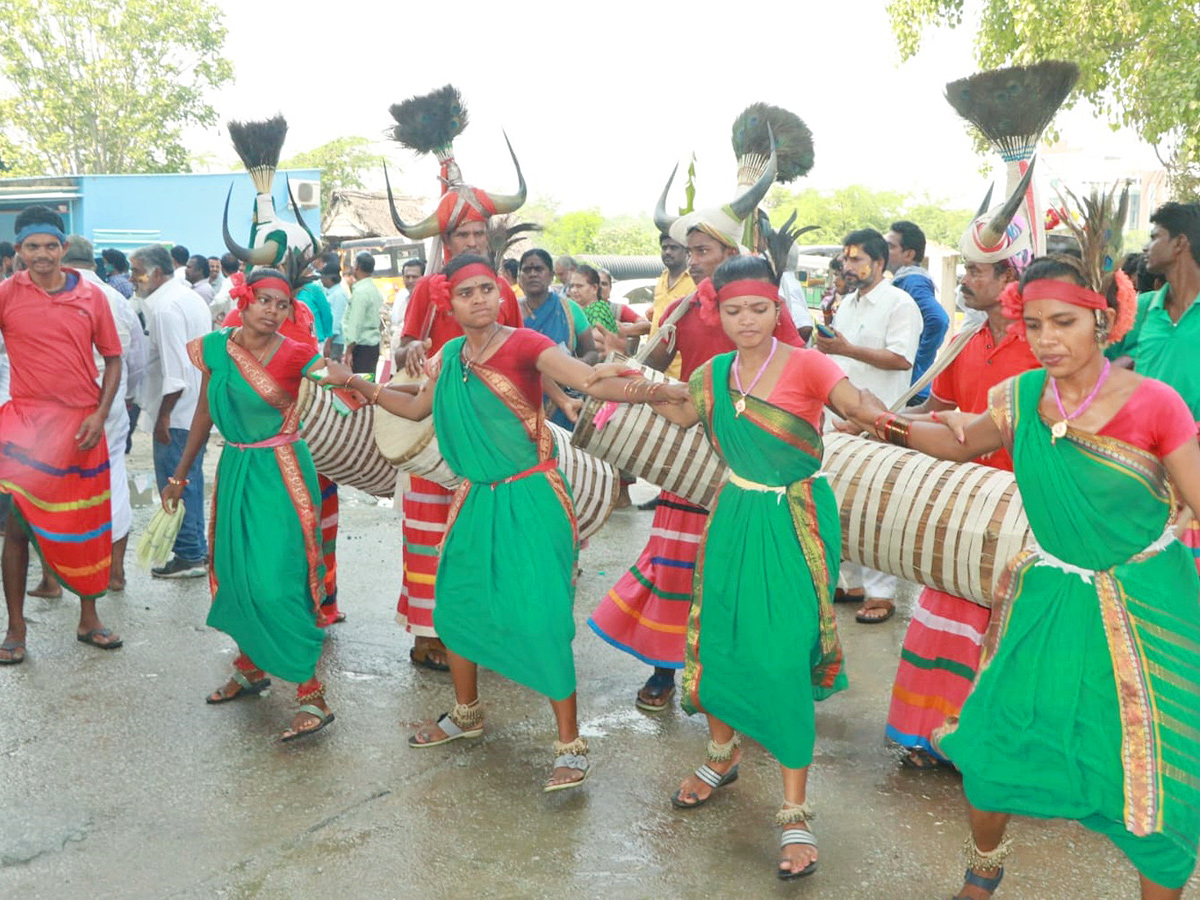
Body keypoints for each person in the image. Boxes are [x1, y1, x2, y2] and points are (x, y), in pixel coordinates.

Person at [849, 254, 1200, 900]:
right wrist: (884, 422)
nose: (1046, 340)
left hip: (1148, 604)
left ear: (1106, 319)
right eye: (1033, 324)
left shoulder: (1156, 406)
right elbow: (960, 443)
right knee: (989, 745)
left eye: (1064, 322)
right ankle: (984, 868)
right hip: (1049, 598)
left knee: (1151, 774)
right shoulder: (1019, 397)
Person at [329, 255, 649, 789]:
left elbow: (587, 377)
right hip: (476, 498)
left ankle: (570, 744)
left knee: (541, 616)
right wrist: (357, 384)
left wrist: (649, 387)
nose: (479, 300)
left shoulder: (525, 345)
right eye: (465, 293)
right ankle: (466, 712)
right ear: (447, 303)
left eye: (486, 290)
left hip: (531, 498)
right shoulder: (450, 355)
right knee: (456, 604)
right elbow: (414, 411)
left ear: (499, 295)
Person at [645, 255, 879, 879]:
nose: (746, 320)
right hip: (734, 515)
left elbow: (852, 401)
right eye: (732, 309)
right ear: (716, 313)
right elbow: (682, 413)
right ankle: (721, 753)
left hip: (794, 519)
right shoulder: (715, 371)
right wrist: (622, 386)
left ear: (778, 309)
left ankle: (795, 811)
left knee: (779, 657)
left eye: (758, 308)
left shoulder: (807, 363)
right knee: (721, 643)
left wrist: (880, 414)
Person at [590, 153, 798, 712]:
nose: (693, 260)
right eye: (692, 251)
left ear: (731, 254)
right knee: (675, 563)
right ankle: (665, 668)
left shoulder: (766, 307)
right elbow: (657, 361)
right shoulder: (683, 306)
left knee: (739, 570)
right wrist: (625, 360)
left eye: (703, 251)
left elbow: (796, 369)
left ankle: (735, 678)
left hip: (751, 458)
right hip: (688, 455)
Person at [884, 180, 1040, 769]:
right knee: (944, 619)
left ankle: (991, 746)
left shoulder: (1042, 346)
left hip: (1026, 515)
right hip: (963, 505)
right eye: (969, 269)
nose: (967, 280)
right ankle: (931, 737)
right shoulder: (964, 337)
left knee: (1006, 633)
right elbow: (937, 409)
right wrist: (878, 420)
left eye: (978, 271)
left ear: (1010, 281)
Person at [161, 267, 335, 742]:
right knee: (235, 575)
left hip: (281, 472)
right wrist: (180, 473)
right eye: (266, 301)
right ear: (244, 298)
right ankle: (251, 668)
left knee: (276, 582)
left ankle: (311, 693)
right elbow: (203, 412)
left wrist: (374, 383)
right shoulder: (216, 348)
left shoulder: (298, 353)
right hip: (236, 469)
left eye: (283, 305)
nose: (274, 312)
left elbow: (337, 380)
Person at [386, 92, 527, 672]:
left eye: (478, 234)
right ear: (445, 244)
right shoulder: (425, 290)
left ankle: (483, 630)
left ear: (490, 237)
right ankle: (427, 634)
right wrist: (414, 346)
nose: (470, 244)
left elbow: (523, 360)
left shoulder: (506, 295)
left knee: (485, 535)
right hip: (434, 427)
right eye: (460, 237)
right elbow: (403, 347)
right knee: (425, 531)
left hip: (491, 434)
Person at [0, 206, 124, 664]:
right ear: (19, 252)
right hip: (28, 429)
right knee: (17, 527)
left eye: (50, 246)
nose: (42, 255)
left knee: (87, 525)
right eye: (33, 247)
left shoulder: (92, 297)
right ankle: (15, 628)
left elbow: (113, 359)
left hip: (81, 428)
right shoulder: (6, 295)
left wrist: (100, 413)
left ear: (63, 248)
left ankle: (88, 618)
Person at [24, 236, 145, 598]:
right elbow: (133, 360)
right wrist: (128, 399)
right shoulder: (116, 299)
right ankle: (115, 572)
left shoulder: (40, 294)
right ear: (95, 263)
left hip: (54, 410)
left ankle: (51, 579)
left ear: (61, 256)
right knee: (115, 484)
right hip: (108, 408)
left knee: (53, 490)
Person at [814, 228, 922, 623]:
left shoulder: (900, 303)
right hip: (839, 419)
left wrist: (844, 348)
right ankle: (851, 582)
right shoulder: (847, 303)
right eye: (846, 259)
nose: (849, 265)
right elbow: (841, 360)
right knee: (839, 500)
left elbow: (900, 359)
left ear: (879, 263)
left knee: (877, 508)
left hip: (880, 419)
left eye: (857, 259)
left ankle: (882, 594)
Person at [1108, 201, 1200, 576]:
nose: (1146, 246)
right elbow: (1095, 366)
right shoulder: (1142, 310)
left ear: (1180, 243)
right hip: (1141, 471)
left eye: (1154, 236)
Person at [132, 244, 212, 578]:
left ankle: (190, 553)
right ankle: (196, 549)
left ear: (157, 272)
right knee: (189, 477)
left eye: (138, 271)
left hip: (178, 412)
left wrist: (162, 417)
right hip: (195, 407)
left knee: (177, 480)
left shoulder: (165, 308)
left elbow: (175, 375)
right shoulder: (187, 297)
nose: (133, 279)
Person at [518, 248, 595, 428]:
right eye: (527, 270)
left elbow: (591, 352)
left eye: (539, 269)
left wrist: (570, 369)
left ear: (551, 276)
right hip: (519, 407)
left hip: (563, 406)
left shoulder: (569, 309)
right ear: (519, 276)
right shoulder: (508, 311)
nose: (533, 274)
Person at [887, 220, 949, 404]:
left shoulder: (913, 280)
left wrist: (917, 362)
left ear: (909, 254)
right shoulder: (904, 280)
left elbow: (938, 320)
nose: (883, 251)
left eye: (890, 247)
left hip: (912, 391)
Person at [342, 252, 382, 375]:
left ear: (357, 266)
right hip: (372, 345)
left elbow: (356, 323)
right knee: (368, 384)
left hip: (361, 348)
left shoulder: (360, 292)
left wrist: (348, 352)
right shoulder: (373, 288)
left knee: (358, 387)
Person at [388, 258, 424, 362]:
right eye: (407, 277)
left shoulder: (428, 301)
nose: (410, 281)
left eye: (415, 277)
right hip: (397, 356)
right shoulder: (400, 296)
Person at [320, 257, 348, 361]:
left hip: (335, 341)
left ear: (330, 278)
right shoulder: (332, 293)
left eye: (323, 277)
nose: (321, 280)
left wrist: (328, 343)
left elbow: (336, 322)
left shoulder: (338, 295)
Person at [210, 253, 241, 327]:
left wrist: (212, 313)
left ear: (222, 268)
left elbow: (219, 300)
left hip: (230, 323)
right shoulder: (245, 279)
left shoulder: (229, 282)